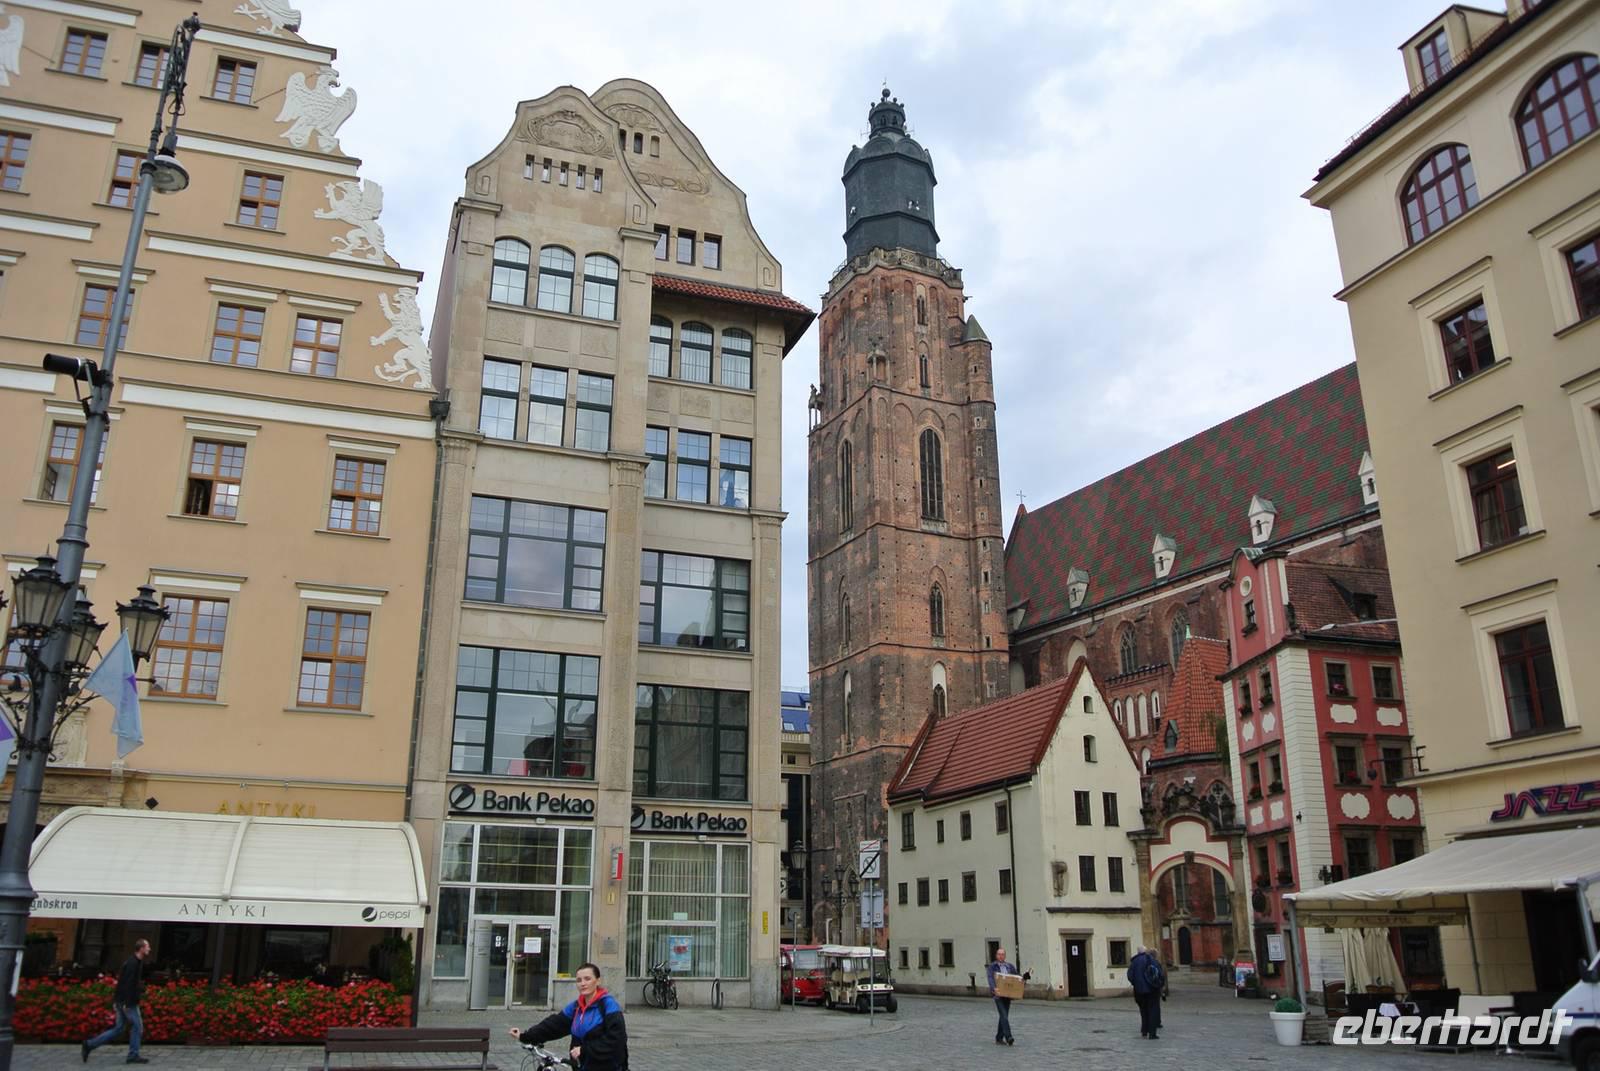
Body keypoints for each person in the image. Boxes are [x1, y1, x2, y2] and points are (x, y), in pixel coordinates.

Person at [510, 962, 627, 1071]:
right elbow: (554, 1025)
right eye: (579, 980)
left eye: (587, 979)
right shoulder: (576, 1007)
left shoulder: (608, 1005)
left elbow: (617, 1039)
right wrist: (525, 1036)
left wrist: (584, 1050)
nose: (583, 983)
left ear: (598, 981)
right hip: (581, 1065)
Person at [83, 938, 151, 1064]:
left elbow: (128, 982)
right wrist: (126, 1002)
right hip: (128, 1002)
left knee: (119, 1028)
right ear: (141, 948)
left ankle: (90, 1044)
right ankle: (133, 1055)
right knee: (137, 1027)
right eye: (147, 947)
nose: (149, 949)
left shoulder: (134, 961)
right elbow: (127, 983)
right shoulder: (133, 963)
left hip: (122, 999)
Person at [985, 947, 1031, 1046]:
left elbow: (1017, 977)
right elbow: (990, 978)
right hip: (998, 995)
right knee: (1004, 1015)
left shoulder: (1009, 966)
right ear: (996, 955)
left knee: (1003, 1016)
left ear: (1005, 956)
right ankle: (1009, 1037)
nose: (1001, 956)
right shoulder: (992, 966)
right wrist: (994, 988)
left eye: (1002, 954)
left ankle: (998, 1038)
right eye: (999, 954)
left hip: (1008, 995)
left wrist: (1024, 977)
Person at [1127, 945, 1165, 1040]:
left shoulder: (1134, 962)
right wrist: (1159, 985)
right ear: (1145, 951)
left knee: (1143, 1011)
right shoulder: (1151, 959)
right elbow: (1160, 973)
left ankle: (1144, 1031)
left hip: (1139, 991)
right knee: (1152, 1010)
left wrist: (1136, 983)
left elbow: (1130, 976)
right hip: (1152, 989)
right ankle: (1152, 1033)